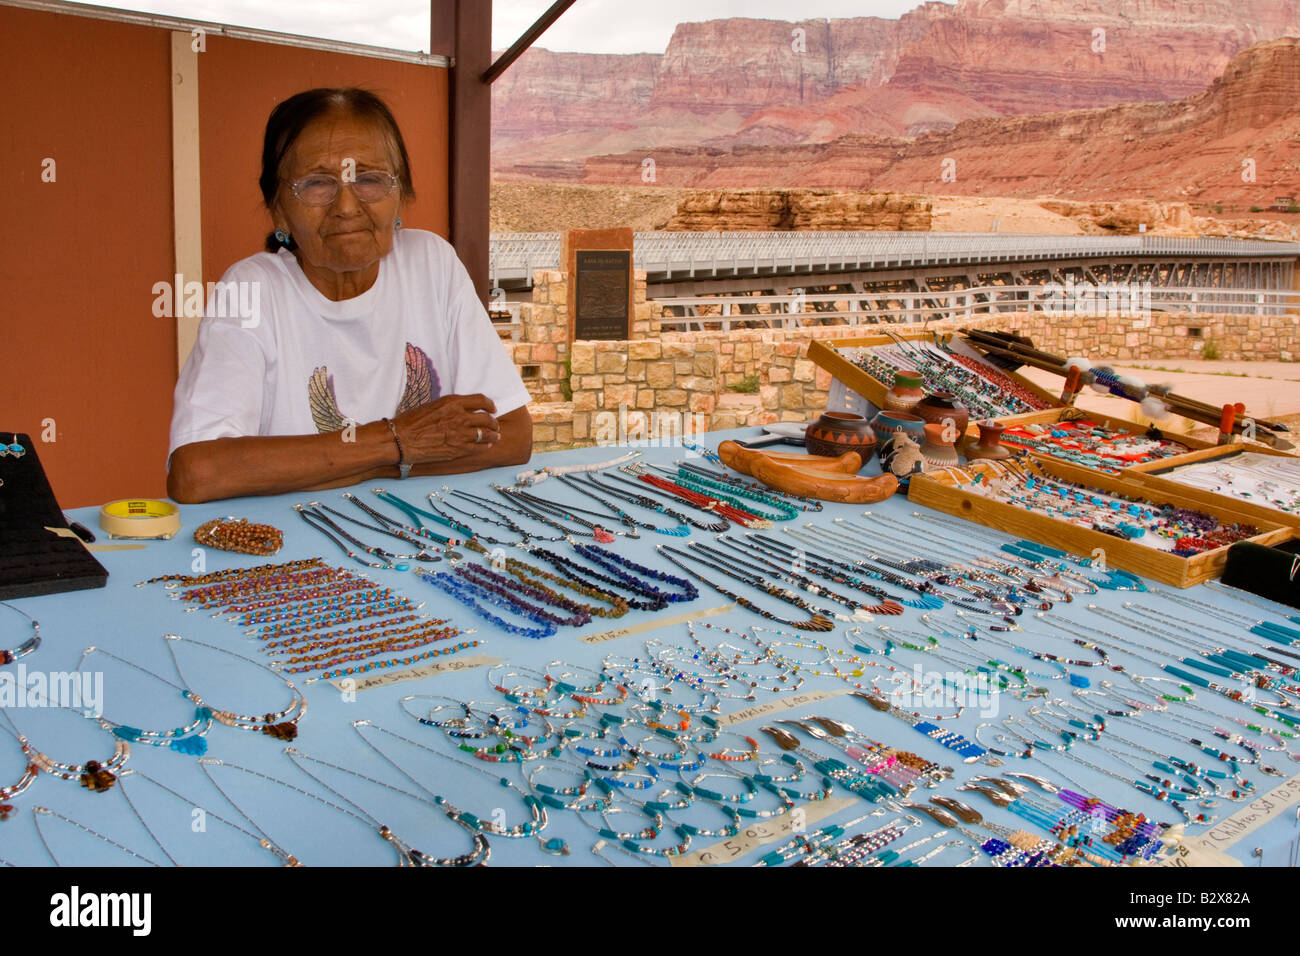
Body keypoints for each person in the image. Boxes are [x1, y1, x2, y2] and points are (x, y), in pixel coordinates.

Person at [166, 88, 532, 504]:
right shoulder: (251, 289)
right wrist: (398, 441)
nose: (346, 205)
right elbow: (198, 473)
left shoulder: (431, 262)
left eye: (370, 179)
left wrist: (358, 463)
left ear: (401, 195)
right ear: (278, 208)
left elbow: (512, 435)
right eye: (317, 184)